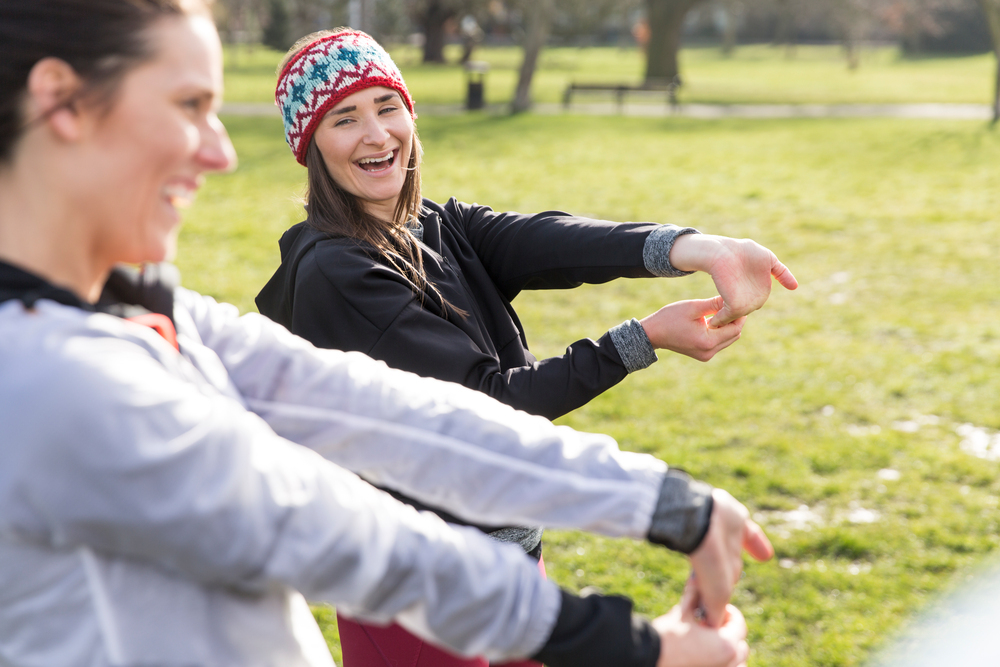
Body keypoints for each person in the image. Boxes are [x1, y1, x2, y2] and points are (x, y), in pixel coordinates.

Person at [0, 2, 775, 666]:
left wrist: (669, 503)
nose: (221, 150)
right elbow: (356, 542)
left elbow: (385, 410)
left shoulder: (140, 304)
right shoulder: (53, 377)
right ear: (63, 103)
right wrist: (633, 645)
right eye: (187, 105)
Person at [255, 28, 797, 667]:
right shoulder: (338, 274)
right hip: (420, 593)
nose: (377, 134)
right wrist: (643, 339)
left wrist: (699, 248)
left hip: (502, 570)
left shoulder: (430, 224)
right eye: (345, 118)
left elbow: (554, 241)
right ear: (310, 147)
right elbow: (492, 407)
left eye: (387, 107)